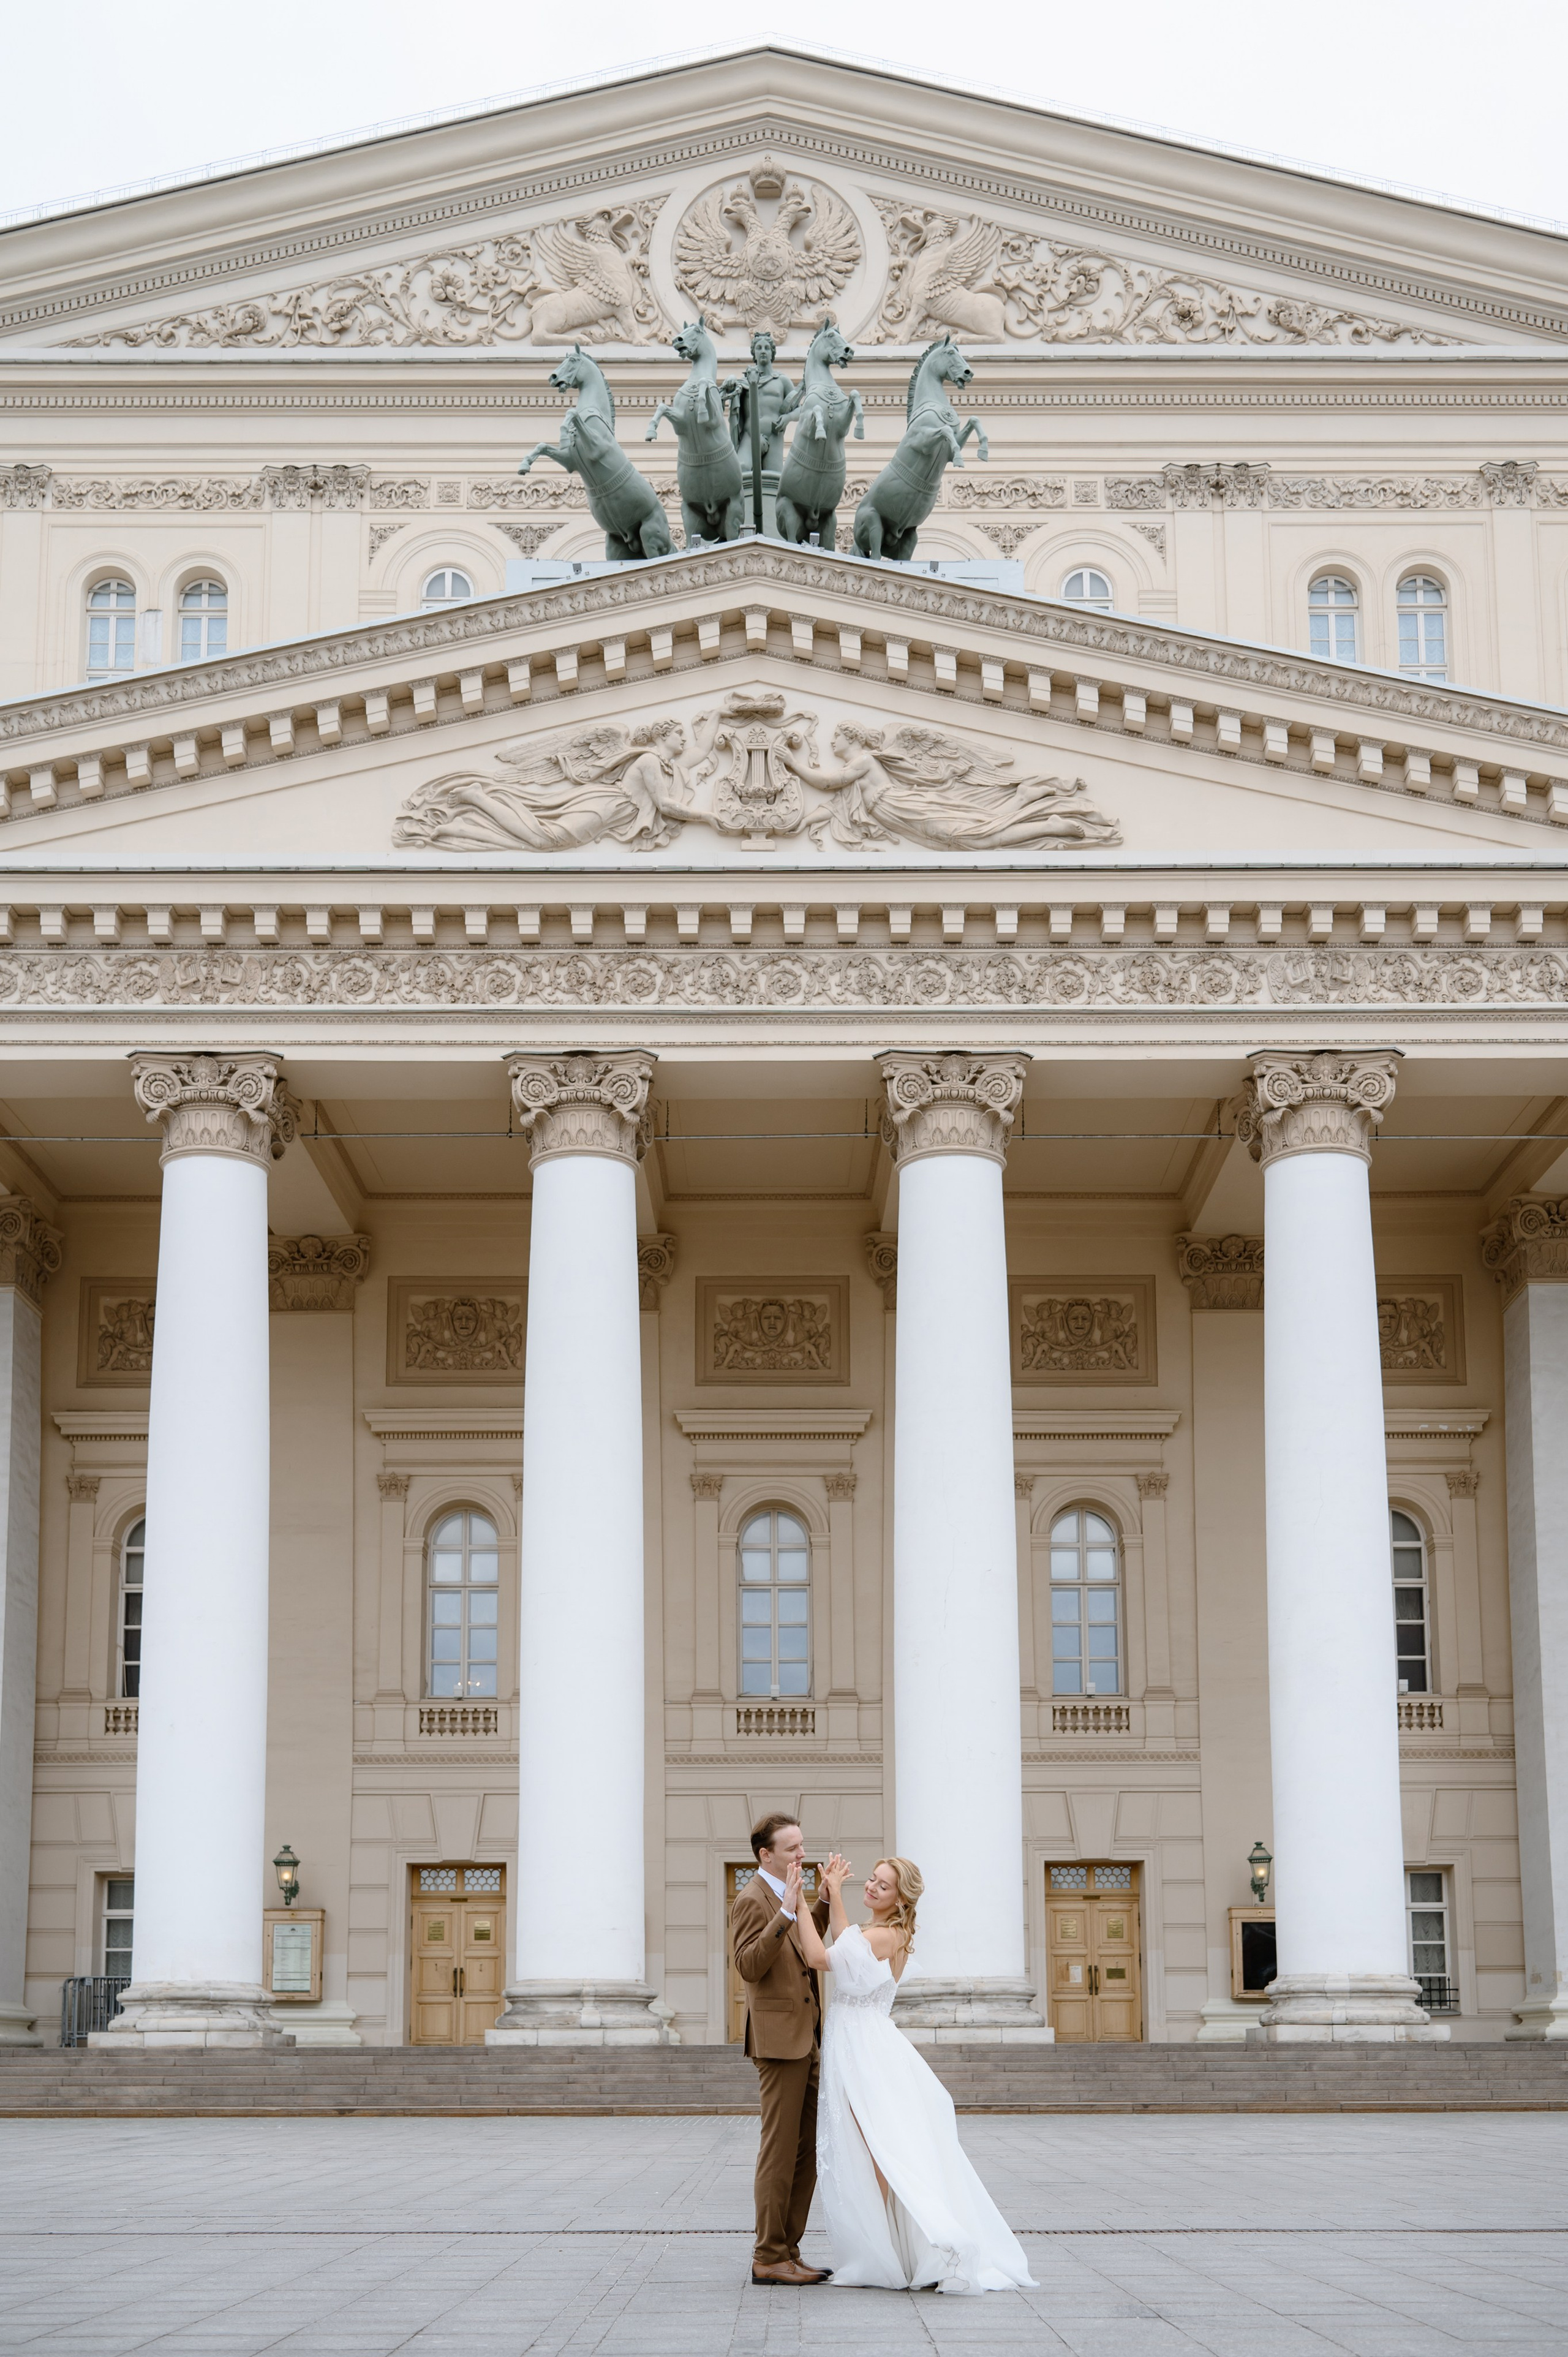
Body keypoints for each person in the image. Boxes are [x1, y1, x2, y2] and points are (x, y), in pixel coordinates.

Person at [793, 1854, 1038, 2296]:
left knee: (878, 2148)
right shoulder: (885, 1934)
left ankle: (890, 2249)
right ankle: (891, 2247)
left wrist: (797, 1904)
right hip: (862, 2044)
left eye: (883, 1886)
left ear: (900, 1898)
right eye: (871, 1879)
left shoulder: (884, 1936)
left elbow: (818, 1956)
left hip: (864, 2051)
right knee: (875, 2145)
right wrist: (833, 1894)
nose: (871, 1887)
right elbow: (848, 1944)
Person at [729, 1812, 834, 2286]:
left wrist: (822, 1904)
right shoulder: (752, 1899)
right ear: (765, 1854)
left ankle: (789, 2249)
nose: (802, 1855)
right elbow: (749, 1965)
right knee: (779, 2150)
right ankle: (767, 2254)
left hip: (809, 2037)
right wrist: (786, 1912)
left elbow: (804, 1947)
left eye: (802, 1845)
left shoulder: (788, 1895)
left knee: (807, 2150)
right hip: (778, 2044)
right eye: (792, 1848)